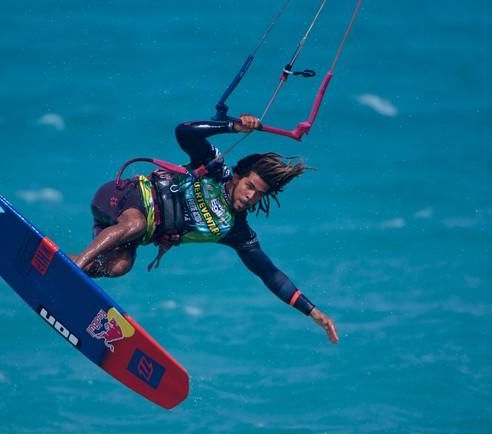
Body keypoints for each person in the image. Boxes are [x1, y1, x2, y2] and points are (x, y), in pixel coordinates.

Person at [70, 114, 339, 344]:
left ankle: (64, 263)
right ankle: (75, 269)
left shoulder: (235, 230)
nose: (250, 197)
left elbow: (270, 274)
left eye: (259, 195)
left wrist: (312, 311)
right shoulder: (213, 168)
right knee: (136, 223)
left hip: (120, 233)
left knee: (119, 266)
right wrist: (233, 126)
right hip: (120, 198)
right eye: (250, 187)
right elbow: (184, 132)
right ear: (237, 177)